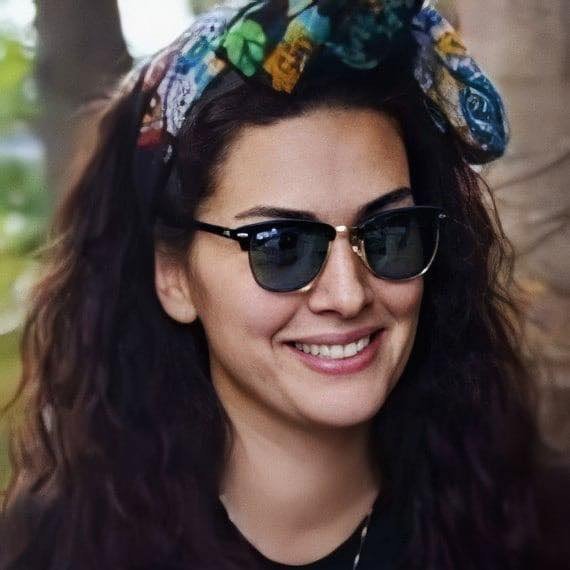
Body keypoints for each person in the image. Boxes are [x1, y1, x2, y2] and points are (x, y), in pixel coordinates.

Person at [0, 1, 566, 569]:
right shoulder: (52, 553)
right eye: (282, 245)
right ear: (173, 277)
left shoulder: (534, 528)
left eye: (389, 233)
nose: (348, 294)